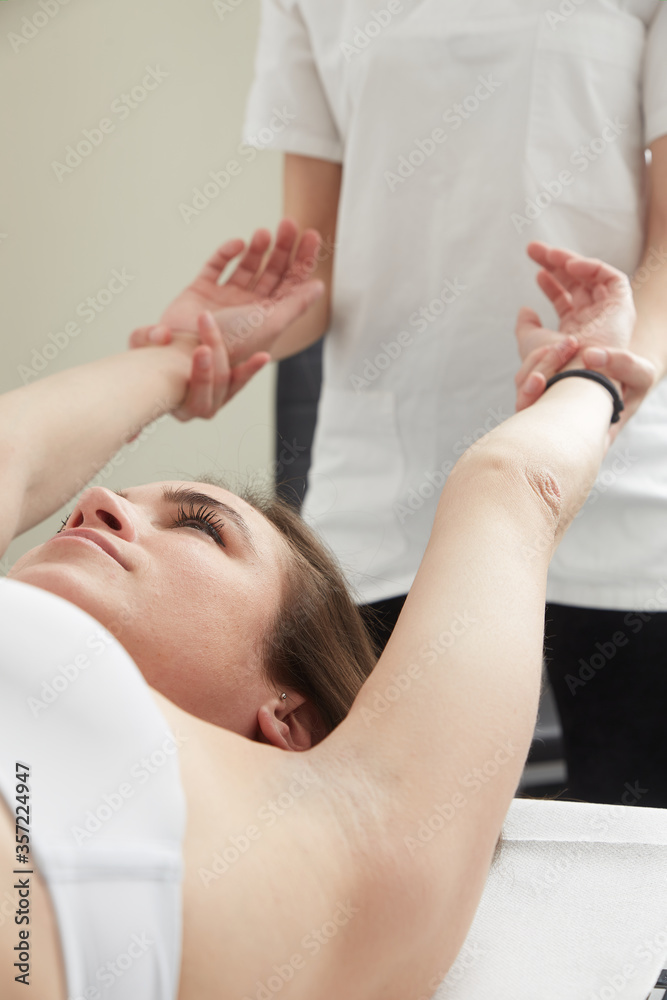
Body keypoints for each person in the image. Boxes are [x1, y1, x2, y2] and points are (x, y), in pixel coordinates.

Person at [1, 228, 657, 999]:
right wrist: (185, 355)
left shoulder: (332, 839)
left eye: (199, 527)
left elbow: (511, 487)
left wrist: (591, 379)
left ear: (289, 718)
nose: (97, 501)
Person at [222, 0, 667, 807]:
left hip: (613, 459)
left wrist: (607, 373)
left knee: (637, 830)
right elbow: (314, 258)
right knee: (395, 827)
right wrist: (241, 326)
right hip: (386, 494)